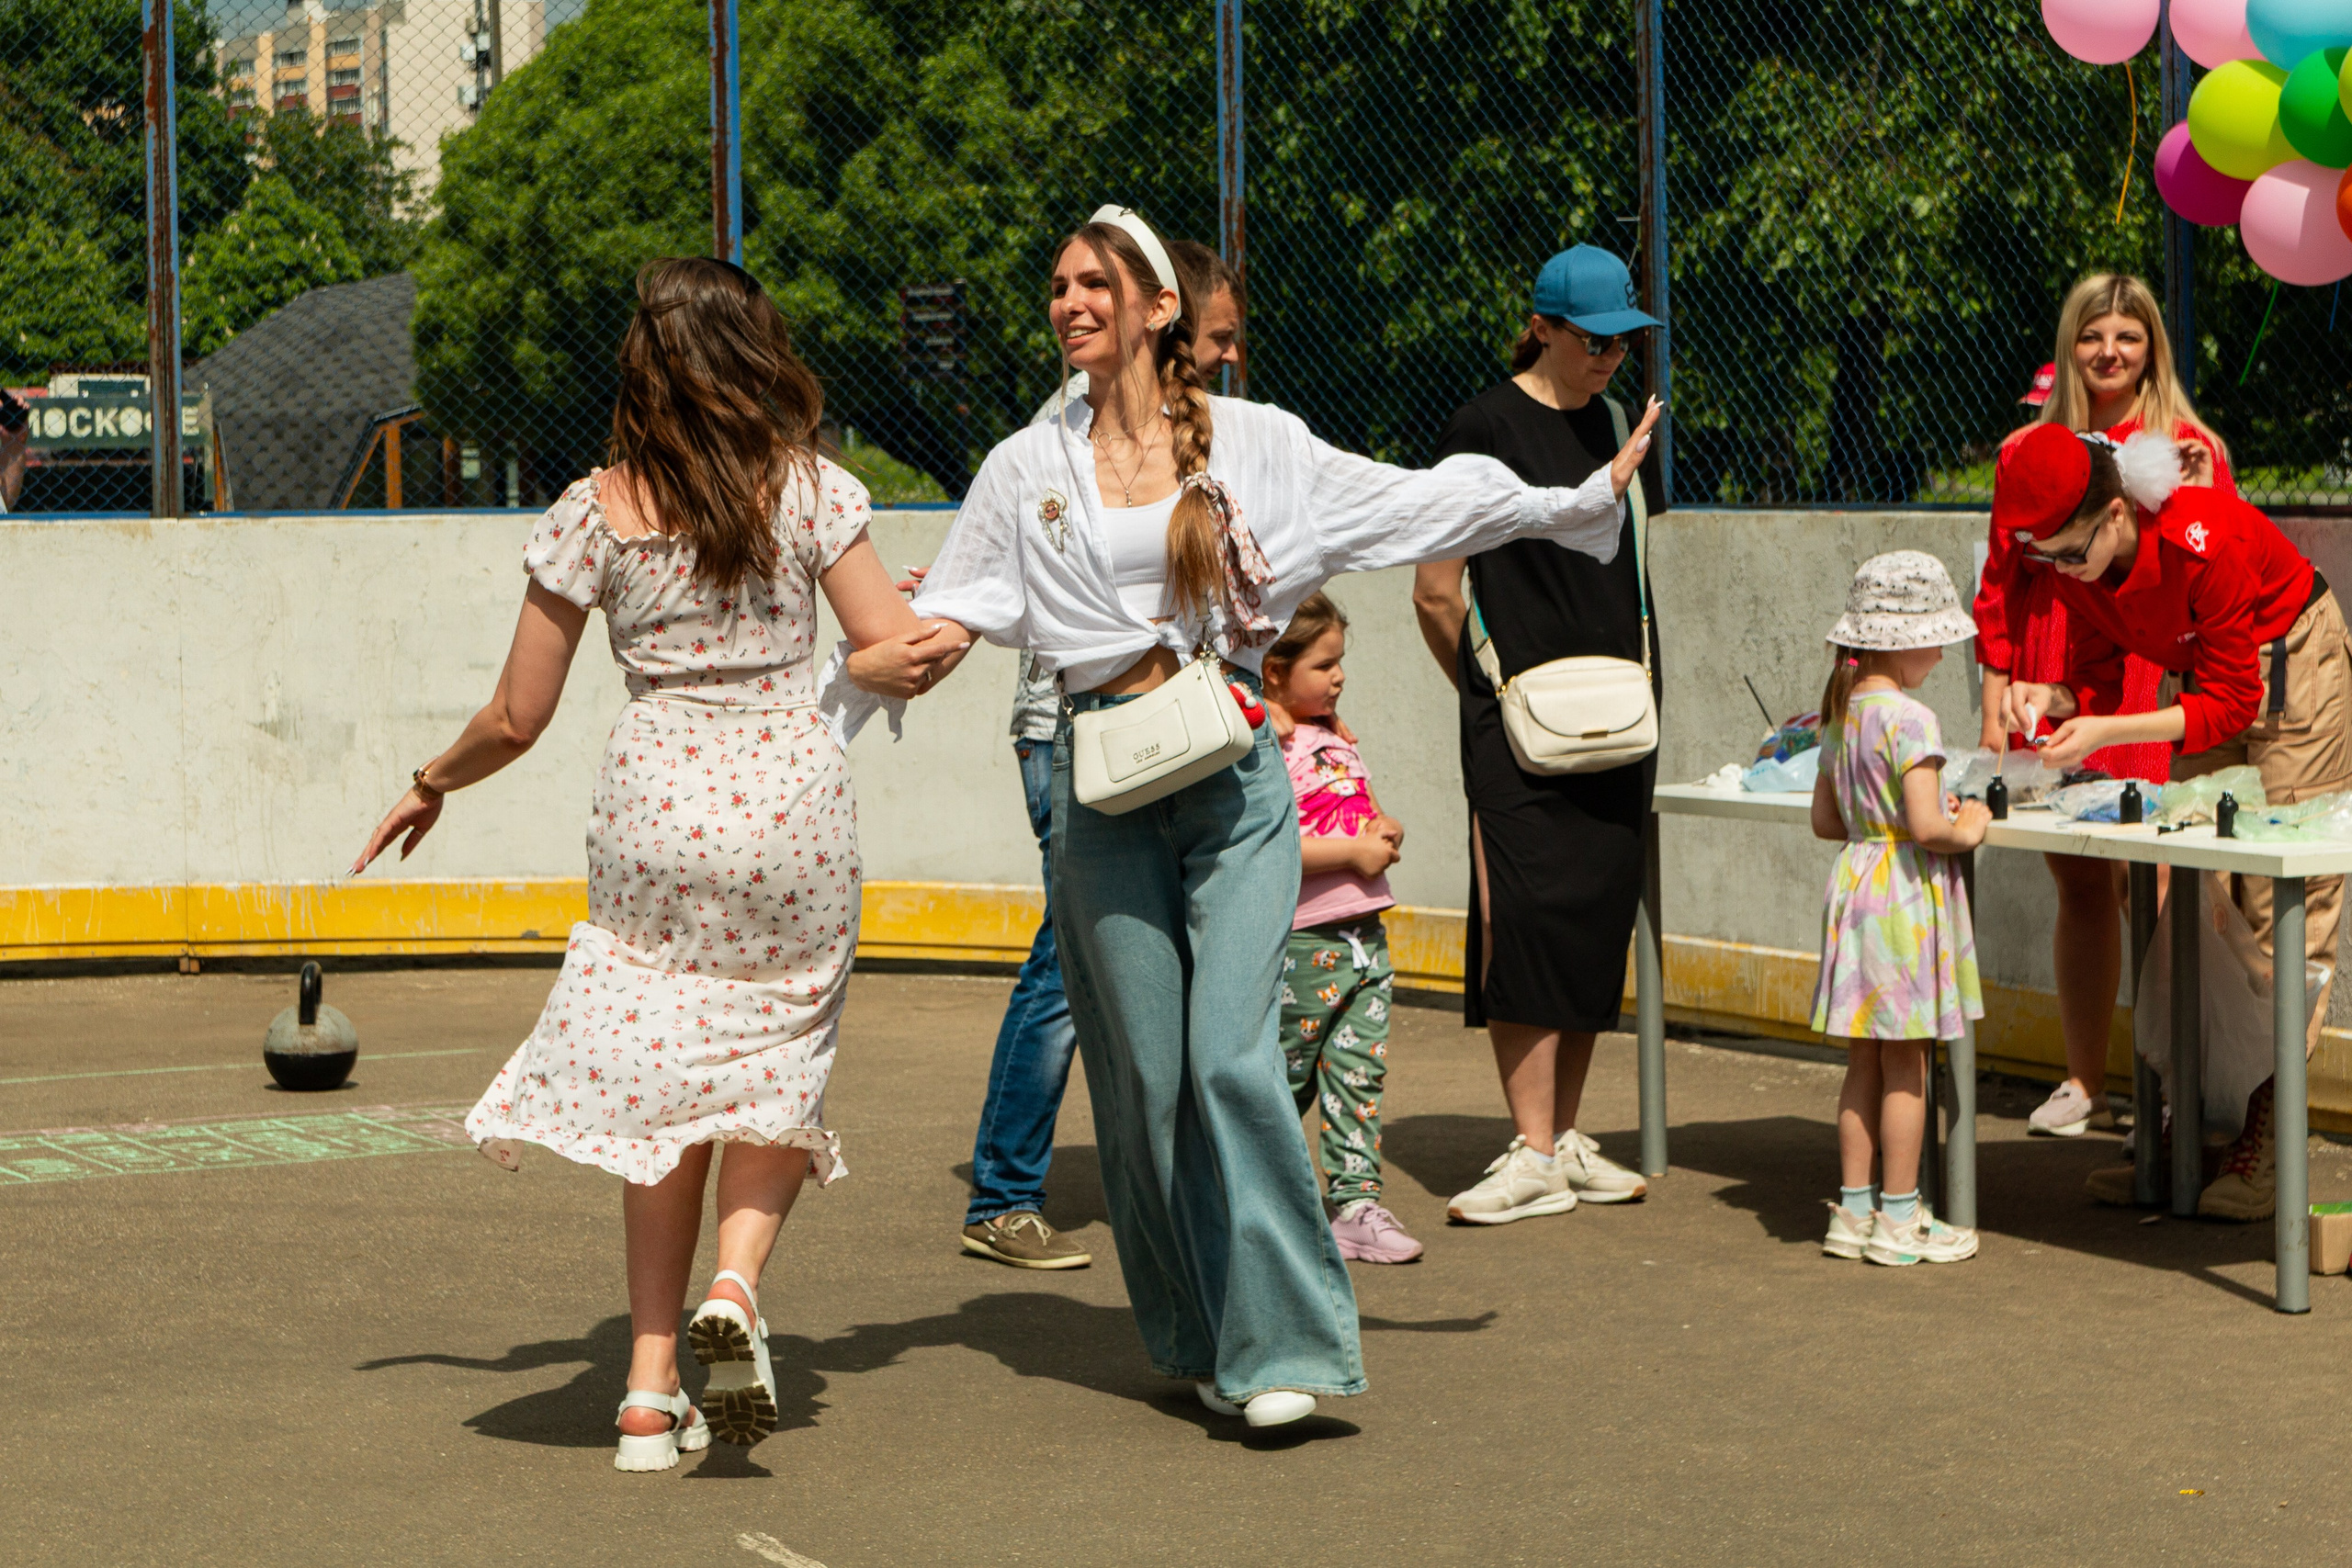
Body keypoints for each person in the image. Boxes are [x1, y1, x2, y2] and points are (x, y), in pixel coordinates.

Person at [884, 204, 1658, 1427]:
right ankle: (1202, 1329)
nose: (1070, 302)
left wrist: (1566, 500)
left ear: (1154, 310)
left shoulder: (1254, 444)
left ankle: (1284, 1342)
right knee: (1141, 1081)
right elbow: (957, 613)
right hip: (1101, 793)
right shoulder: (1024, 464)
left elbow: (1412, 503)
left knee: (1227, 1057)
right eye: (1058, 284)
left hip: (1234, 781)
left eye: (1096, 283)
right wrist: (886, 651)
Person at [352, 258, 955, 1472]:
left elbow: (516, 715)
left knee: (668, 1091)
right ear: (753, 356)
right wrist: (941, 616)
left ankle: (643, 1390)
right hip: (788, 803)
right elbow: (898, 652)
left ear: (643, 368)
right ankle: (733, 1287)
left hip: (651, 814)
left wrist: (431, 782)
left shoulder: (593, 509)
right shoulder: (817, 492)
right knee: (777, 1056)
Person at [962, 240, 1248, 1270]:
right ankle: (1002, 1193)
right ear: (1168, 316)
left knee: (1121, 969)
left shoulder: (1205, 434)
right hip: (1074, 736)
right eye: (1216, 336)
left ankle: (1206, 1180)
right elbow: (1006, 581)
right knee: (1066, 965)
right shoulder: (1060, 436)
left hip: (1166, 738)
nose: (1225, 354)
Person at [1993, 423, 2350, 1220]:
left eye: (2069, 551)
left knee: (2284, 899)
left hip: (2290, 665)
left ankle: (2267, 1141)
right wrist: (2048, 697)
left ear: (2116, 512)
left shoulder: (2202, 538)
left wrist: (2110, 731)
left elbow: (2233, 701)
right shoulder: (2074, 561)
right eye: (2043, 556)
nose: (2058, 570)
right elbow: (2096, 678)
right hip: (2207, 680)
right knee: (2190, 896)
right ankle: (2188, 1135)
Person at [1409, 243, 1659, 1224]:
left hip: (1617, 705)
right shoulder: (1481, 426)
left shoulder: (1605, 419)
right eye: (1593, 340)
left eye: (1622, 343)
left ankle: (1564, 1138)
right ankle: (1530, 1147)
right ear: (1542, 326)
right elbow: (1435, 593)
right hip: (1516, 720)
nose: (1609, 359)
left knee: (1596, 918)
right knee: (1525, 918)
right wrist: (1488, 698)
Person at [1973, 275, 2233, 1140]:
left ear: (2153, 345)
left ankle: (2167, 1089)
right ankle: (2086, 1081)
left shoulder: (2187, 446)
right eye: (2094, 335)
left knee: (2154, 883)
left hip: (2147, 684)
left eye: (2129, 335)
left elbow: (2217, 570)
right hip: (2060, 669)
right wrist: (1994, 696)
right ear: (2069, 344)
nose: (2110, 352)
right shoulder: (2026, 448)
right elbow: (2000, 582)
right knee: (2078, 876)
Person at [1808, 552, 1989, 1267]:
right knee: (1908, 1064)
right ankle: (1901, 1217)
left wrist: (1878, 816)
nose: (1944, 650)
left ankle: (1852, 1212)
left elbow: (1826, 818)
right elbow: (1929, 826)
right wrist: (1968, 822)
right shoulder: (1912, 719)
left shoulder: (1843, 712)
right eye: (1937, 635)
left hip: (1856, 887)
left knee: (1864, 1060)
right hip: (1903, 899)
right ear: (1902, 638)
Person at [1261, 592, 1422, 1264]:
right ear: (1273, 668)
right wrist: (1351, 854)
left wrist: (1382, 829)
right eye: (1325, 664)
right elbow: (1266, 846)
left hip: (1365, 943)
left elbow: (1364, 808)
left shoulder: (1333, 734)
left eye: (1340, 662)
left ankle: (1356, 1203)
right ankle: (1255, 1194)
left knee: (1358, 1079)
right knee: (1285, 1081)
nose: (1339, 676)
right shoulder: (1266, 742)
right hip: (1306, 948)